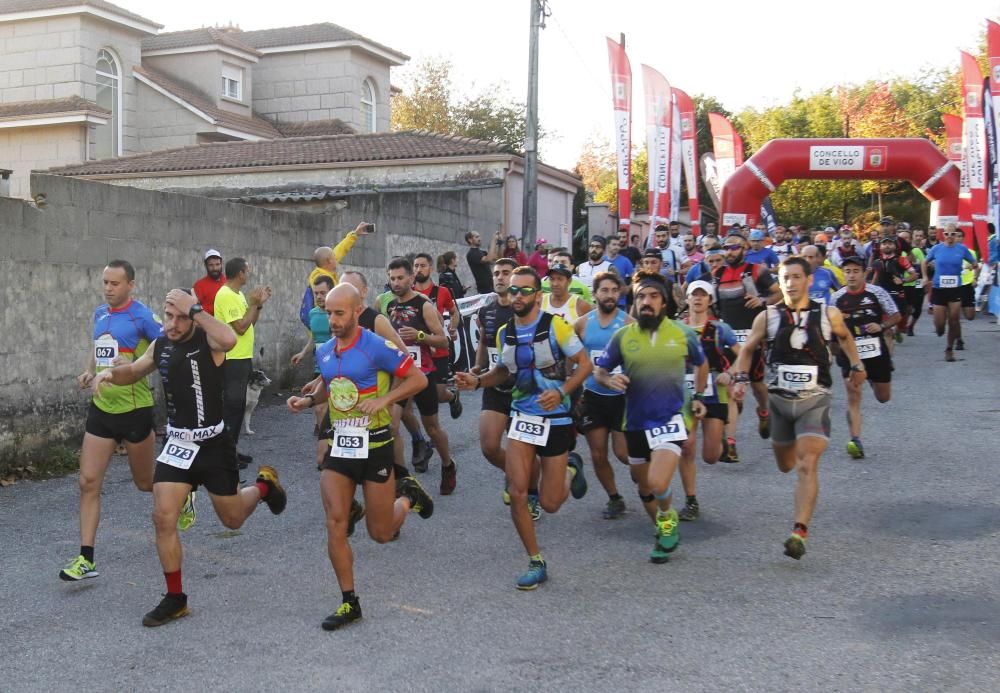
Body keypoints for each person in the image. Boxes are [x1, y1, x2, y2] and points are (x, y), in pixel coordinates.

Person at [92, 288, 287, 626]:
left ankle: (264, 488)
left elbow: (229, 337)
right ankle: (175, 598)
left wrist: (195, 309)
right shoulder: (161, 344)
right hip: (178, 445)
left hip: (213, 445)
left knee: (233, 520)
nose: (173, 324)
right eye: (168, 316)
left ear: (193, 316)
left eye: (181, 317)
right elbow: (136, 370)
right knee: (162, 517)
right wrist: (109, 374)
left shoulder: (207, 340)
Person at [286, 284, 433, 630]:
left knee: (380, 534)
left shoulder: (376, 346)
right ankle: (349, 602)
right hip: (341, 444)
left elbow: (418, 379)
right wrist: (307, 401)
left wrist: (384, 401)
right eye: (329, 313)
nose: (333, 320)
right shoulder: (324, 350)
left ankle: (408, 497)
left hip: (376, 444)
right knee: (335, 522)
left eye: (340, 313)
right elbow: (331, 382)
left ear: (357, 311)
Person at [455, 267, 592, 590]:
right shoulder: (506, 332)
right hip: (522, 417)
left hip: (556, 419)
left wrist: (561, 391)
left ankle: (572, 468)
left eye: (524, 291)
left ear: (537, 295)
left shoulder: (556, 327)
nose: (517, 296)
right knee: (517, 492)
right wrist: (477, 380)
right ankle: (535, 560)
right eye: (513, 291)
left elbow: (585, 364)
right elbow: (504, 369)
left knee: (551, 503)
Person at [730, 257, 866, 560]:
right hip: (779, 401)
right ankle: (771, 427)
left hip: (814, 400)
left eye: (795, 277)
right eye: (785, 277)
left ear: (808, 279)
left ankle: (799, 531)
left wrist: (856, 364)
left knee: (807, 464)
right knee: (785, 464)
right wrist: (740, 376)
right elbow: (749, 348)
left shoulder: (828, 314)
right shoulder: (768, 317)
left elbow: (846, 338)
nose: (790, 283)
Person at [593, 271, 708, 563]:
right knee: (643, 485)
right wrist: (608, 381)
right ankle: (663, 530)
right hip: (635, 423)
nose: (646, 302)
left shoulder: (684, 334)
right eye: (641, 296)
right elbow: (600, 370)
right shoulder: (624, 336)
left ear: (665, 302)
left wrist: (699, 397)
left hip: (670, 419)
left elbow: (701, 363)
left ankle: (667, 518)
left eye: (653, 296)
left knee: (658, 483)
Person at [61, 261, 165, 582]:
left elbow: (166, 347)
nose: (108, 288)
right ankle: (86, 558)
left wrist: (133, 362)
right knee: (88, 482)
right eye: (105, 282)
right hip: (102, 409)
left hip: (134, 409)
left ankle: (181, 490)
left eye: (115, 283)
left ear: (130, 285)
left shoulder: (143, 316)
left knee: (145, 483)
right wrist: (88, 371)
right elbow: (97, 348)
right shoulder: (99, 313)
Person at [706, 231, 781, 461]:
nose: (730, 252)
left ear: (745, 249)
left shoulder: (756, 271)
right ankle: (730, 444)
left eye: (735, 248)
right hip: (727, 339)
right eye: (726, 248)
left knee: (757, 385)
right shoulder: (717, 274)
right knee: (731, 391)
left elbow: (780, 293)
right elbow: (711, 306)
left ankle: (764, 411)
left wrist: (763, 301)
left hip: (752, 339)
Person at [385, 258, 457, 494]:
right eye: (392, 278)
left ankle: (448, 465)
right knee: (392, 425)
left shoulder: (423, 304)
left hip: (423, 374)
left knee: (433, 428)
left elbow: (443, 339)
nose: (396, 283)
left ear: (411, 278)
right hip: (400, 375)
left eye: (400, 278)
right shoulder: (389, 307)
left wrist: (420, 336)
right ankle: (402, 479)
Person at [677, 280, 741, 521]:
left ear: (710, 301)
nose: (698, 299)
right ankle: (691, 500)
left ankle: (722, 440)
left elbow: (743, 353)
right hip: (684, 392)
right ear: (687, 299)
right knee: (686, 446)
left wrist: (731, 373)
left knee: (711, 456)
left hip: (715, 391)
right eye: (694, 295)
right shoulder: (676, 327)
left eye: (703, 296)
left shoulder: (720, 329)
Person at [574, 272, 632, 519]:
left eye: (614, 291)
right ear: (595, 293)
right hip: (593, 397)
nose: (610, 295)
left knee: (623, 453)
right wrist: (570, 389)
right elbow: (572, 358)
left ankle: (644, 472)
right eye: (604, 290)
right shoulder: (583, 323)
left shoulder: (629, 323)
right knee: (598, 454)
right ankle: (614, 497)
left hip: (622, 398)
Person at [831, 256, 900, 459]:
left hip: (875, 352)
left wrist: (882, 326)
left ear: (864, 273)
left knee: (883, 397)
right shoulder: (837, 299)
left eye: (855, 271)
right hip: (850, 355)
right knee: (853, 397)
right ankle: (855, 440)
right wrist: (834, 348)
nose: (851, 275)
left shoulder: (877, 293)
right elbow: (831, 330)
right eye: (847, 271)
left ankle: (871, 378)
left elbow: (896, 315)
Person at [214, 257, 271, 467]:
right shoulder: (226, 295)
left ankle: (232, 450)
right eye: (247, 271)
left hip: (243, 357)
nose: (249, 274)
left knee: (237, 406)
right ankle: (225, 455)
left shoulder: (237, 295)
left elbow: (250, 322)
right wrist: (254, 304)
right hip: (232, 358)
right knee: (232, 406)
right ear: (240, 273)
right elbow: (240, 327)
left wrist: (258, 305)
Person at [291, 275, 337, 470]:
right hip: (319, 367)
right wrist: (303, 352)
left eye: (323, 293)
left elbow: (337, 342)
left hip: (333, 367)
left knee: (322, 408)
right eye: (316, 293)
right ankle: (327, 446)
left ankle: (329, 448)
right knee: (320, 409)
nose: (319, 296)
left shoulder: (335, 314)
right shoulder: (313, 313)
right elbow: (314, 338)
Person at [413, 252, 463, 420]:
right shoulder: (408, 292)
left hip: (438, 350)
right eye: (416, 266)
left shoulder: (442, 292)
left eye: (422, 266)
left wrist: (453, 328)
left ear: (431, 268)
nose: (418, 269)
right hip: (417, 350)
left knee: (440, 395)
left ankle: (452, 396)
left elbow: (455, 313)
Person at [922, 224, 978, 361]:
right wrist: (924, 277)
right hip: (939, 289)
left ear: (956, 235)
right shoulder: (937, 248)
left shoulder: (962, 249)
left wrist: (973, 270)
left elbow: (975, 263)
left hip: (955, 289)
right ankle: (941, 330)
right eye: (947, 234)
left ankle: (949, 349)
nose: (950, 237)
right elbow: (924, 262)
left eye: (953, 234)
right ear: (943, 235)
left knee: (954, 320)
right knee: (940, 326)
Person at [301, 222, 372, 326]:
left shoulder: (324, 270)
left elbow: (340, 250)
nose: (337, 258)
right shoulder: (322, 279)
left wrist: (355, 234)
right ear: (329, 261)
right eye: (334, 257)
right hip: (325, 325)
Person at [867, 236, 916, 345]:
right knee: (887, 328)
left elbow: (914, 275)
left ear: (895, 246)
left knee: (901, 321)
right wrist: (869, 292)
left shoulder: (901, 260)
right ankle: (887, 352)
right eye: (884, 244)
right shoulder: (877, 262)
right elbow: (875, 279)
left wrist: (903, 280)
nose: (887, 245)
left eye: (890, 243)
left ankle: (898, 330)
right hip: (883, 296)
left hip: (898, 295)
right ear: (880, 247)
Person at [899, 230, 926, 336]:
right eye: (902, 238)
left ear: (910, 239)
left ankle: (911, 325)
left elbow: (923, 263)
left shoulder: (916, 251)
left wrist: (925, 277)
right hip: (902, 283)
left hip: (917, 282)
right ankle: (901, 326)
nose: (904, 240)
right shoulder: (896, 252)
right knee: (905, 308)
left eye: (907, 238)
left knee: (917, 307)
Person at [466, 229, 502, 295]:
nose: (479, 239)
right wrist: (493, 240)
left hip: (491, 286)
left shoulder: (482, 252)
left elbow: (497, 257)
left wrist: (499, 243)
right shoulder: (471, 253)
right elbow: (488, 259)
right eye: (476, 237)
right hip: (484, 289)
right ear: (470, 240)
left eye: (479, 236)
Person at [192, 249, 225, 316]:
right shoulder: (199, 286)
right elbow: (194, 309)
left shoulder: (228, 282)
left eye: (217, 264)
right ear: (206, 265)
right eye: (211, 265)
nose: (215, 268)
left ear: (221, 264)